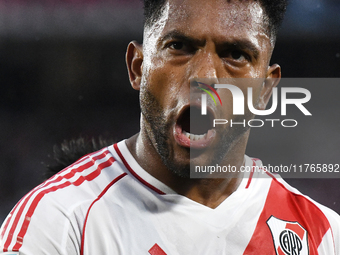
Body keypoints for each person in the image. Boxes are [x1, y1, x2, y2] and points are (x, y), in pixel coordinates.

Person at [1, 0, 339, 254]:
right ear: (138, 67)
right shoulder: (61, 222)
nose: (204, 77)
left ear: (265, 91)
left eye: (235, 54)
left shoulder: (323, 236)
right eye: (179, 46)